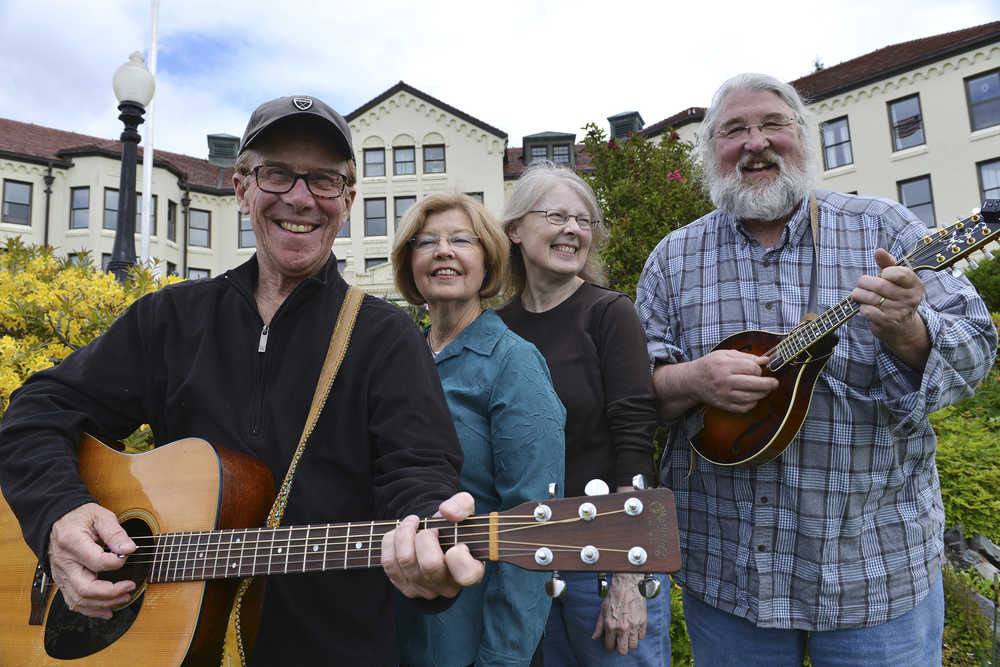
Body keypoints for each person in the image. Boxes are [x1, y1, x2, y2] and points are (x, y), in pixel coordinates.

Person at [0, 95, 484, 665]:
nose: (300, 198)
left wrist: (426, 537)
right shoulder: (168, 321)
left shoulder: (386, 337)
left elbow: (418, 471)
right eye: (276, 173)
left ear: (348, 200)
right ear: (241, 188)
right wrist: (60, 512)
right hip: (171, 648)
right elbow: (36, 411)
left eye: (325, 180)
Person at [635, 72, 998, 666]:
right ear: (711, 152)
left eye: (774, 124)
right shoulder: (674, 259)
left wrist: (909, 331)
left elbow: (976, 351)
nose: (756, 141)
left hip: (874, 577)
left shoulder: (883, 228)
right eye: (734, 130)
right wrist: (693, 380)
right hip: (730, 580)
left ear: (805, 138)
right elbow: (634, 394)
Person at [498, 161, 670, 666]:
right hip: (524, 563)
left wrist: (628, 576)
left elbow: (635, 446)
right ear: (515, 229)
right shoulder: (496, 328)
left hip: (604, 563)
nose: (573, 229)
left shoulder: (609, 314)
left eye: (584, 220)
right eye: (556, 216)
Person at [390, 192, 566, 666]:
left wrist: (501, 659)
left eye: (460, 240)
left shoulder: (515, 363)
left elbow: (535, 525)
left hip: (468, 641)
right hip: (387, 633)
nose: (443, 250)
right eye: (426, 242)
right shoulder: (394, 360)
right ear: (411, 266)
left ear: (487, 261)